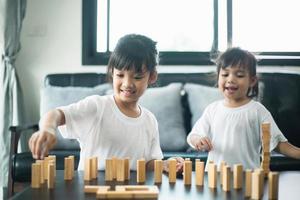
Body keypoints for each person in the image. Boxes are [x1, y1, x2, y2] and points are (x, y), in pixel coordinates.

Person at [29, 34, 183, 172]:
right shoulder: (97, 106)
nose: (127, 83)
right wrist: (47, 129)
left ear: (152, 77)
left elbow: (148, 163)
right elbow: (56, 114)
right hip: (92, 189)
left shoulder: (149, 120)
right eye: (120, 75)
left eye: (137, 77)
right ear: (112, 73)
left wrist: (164, 165)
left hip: (133, 191)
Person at [187, 47, 300, 170]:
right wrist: (198, 140)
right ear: (218, 78)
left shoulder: (257, 111)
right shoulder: (212, 109)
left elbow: (278, 144)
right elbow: (193, 136)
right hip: (216, 177)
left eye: (239, 75)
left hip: (249, 178)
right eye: (225, 74)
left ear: (252, 81)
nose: (230, 79)